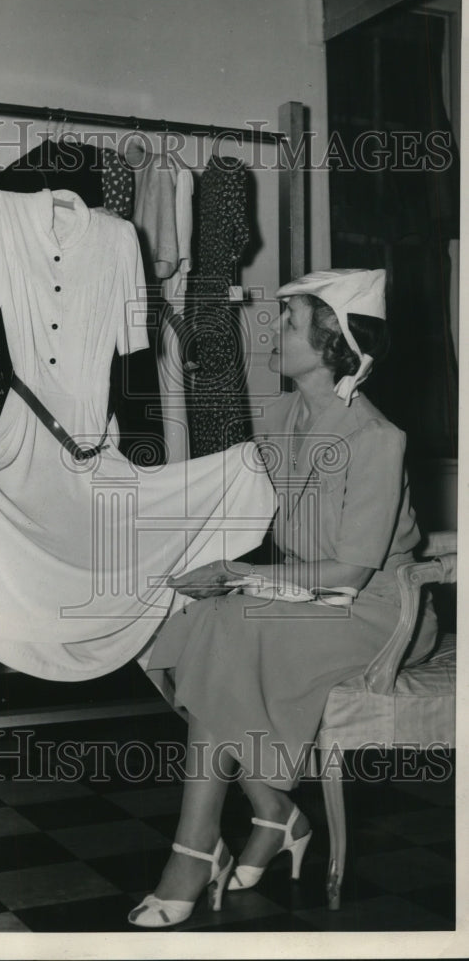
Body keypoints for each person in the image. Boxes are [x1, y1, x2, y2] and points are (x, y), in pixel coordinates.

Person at [128, 268, 438, 928]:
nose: (275, 327)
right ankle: (273, 811)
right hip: (303, 596)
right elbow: (224, 494)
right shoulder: (283, 415)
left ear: (336, 348)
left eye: (291, 321)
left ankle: (193, 849)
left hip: (381, 612)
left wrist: (240, 576)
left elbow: (351, 575)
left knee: (231, 624)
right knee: (162, 626)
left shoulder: (378, 439)